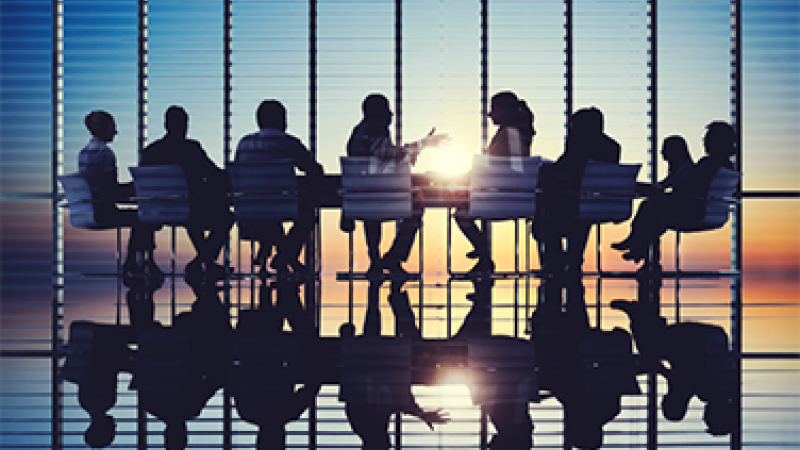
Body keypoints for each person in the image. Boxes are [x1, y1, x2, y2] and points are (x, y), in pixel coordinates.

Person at [344, 93, 448, 277]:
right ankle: (395, 257)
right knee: (416, 206)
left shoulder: (360, 132)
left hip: (365, 196)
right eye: (387, 110)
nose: (391, 115)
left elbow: (384, 158)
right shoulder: (375, 129)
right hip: (381, 194)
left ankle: (376, 260)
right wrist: (421, 144)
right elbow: (387, 154)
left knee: (372, 212)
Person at [612, 121, 737, 264]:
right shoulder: (727, 166)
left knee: (648, 208)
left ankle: (640, 250)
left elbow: (687, 188)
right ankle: (641, 251)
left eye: (707, 138)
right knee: (653, 217)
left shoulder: (708, 163)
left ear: (716, 141)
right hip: (709, 212)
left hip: (695, 210)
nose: (704, 141)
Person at [610, 298, 737, 436]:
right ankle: (638, 312)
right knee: (649, 347)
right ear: (717, 416)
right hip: (696, 339)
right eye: (708, 420)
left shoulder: (727, 387)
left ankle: (651, 319)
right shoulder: (708, 391)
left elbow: (680, 370)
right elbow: (676, 376)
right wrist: (658, 369)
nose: (703, 417)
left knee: (656, 349)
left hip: (712, 336)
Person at [140, 106, 234, 281]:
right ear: (185, 125)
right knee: (226, 217)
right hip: (191, 209)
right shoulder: (191, 148)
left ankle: (203, 262)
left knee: (193, 213)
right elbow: (213, 174)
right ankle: (203, 261)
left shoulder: (151, 151)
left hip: (158, 211)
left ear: (166, 125)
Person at [235, 100, 325, 277]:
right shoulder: (288, 143)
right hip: (280, 205)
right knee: (307, 216)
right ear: (282, 120)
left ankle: (275, 252)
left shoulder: (243, 144)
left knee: (268, 211)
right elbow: (313, 170)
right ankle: (285, 256)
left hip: (248, 209)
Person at [533, 106, 621, 275]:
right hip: (598, 205)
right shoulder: (612, 147)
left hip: (571, 203)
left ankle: (554, 262)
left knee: (547, 208)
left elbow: (566, 169)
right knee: (582, 208)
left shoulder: (578, 144)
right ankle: (573, 260)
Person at [455, 91, 536, 275]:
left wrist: (461, 179)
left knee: (461, 213)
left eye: (494, 110)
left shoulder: (506, 134)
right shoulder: (523, 132)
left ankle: (484, 255)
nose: (491, 116)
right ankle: (483, 252)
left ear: (504, 110)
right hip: (520, 201)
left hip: (497, 198)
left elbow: (489, 167)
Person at [78, 110, 161, 283]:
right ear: (103, 128)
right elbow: (112, 191)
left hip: (89, 208)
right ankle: (137, 262)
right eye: (112, 127)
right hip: (104, 209)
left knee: (141, 217)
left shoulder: (84, 153)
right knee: (145, 218)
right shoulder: (106, 153)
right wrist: (135, 187)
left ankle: (139, 263)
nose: (115, 132)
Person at [614, 135, 694, 251]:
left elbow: (661, 186)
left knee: (648, 210)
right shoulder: (683, 167)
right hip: (683, 205)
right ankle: (640, 250)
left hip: (685, 208)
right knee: (651, 220)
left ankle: (637, 245)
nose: (662, 152)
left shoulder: (685, 169)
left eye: (665, 149)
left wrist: (634, 185)